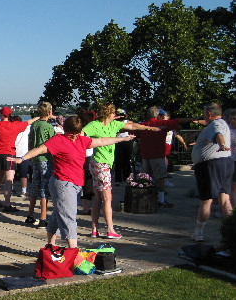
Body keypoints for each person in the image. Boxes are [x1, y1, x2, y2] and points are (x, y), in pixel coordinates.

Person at [8, 116, 135, 248]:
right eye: (71, 133)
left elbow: (102, 140)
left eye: (77, 133)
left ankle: (50, 245)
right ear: (65, 130)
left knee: (58, 215)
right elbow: (40, 149)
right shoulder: (58, 140)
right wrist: (22, 159)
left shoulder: (82, 140)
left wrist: (123, 139)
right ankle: (73, 251)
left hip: (76, 185)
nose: (74, 136)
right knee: (69, 218)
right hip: (62, 184)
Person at [83, 103, 157, 239]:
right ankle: (110, 230)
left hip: (102, 164)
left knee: (99, 198)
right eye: (113, 113)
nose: (115, 115)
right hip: (100, 164)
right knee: (107, 198)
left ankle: (94, 229)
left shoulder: (114, 125)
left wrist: (149, 128)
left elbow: (133, 126)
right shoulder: (93, 125)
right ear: (107, 114)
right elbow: (80, 136)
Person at [135, 106, 197, 208]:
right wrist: (192, 119)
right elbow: (177, 121)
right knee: (160, 178)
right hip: (158, 155)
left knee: (145, 178)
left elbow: (132, 129)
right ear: (158, 115)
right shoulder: (162, 124)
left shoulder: (142, 125)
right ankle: (161, 199)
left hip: (145, 156)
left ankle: (145, 198)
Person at [191, 103, 234, 241]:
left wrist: (222, 145)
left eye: (204, 114)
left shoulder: (216, 124)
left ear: (209, 114)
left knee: (206, 200)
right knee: (225, 199)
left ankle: (198, 233)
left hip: (211, 166)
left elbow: (218, 134)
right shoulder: (223, 123)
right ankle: (232, 232)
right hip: (225, 163)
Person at [24, 102, 55, 227]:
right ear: (49, 112)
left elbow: (30, 142)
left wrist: (31, 156)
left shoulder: (35, 125)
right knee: (44, 188)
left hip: (35, 158)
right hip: (46, 159)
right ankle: (43, 217)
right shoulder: (49, 127)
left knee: (35, 186)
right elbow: (53, 144)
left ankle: (30, 215)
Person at [161, 109, 188, 186]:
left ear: (168, 117)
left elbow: (177, 134)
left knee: (165, 158)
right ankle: (164, 176)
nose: (163, 117)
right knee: (164, 159)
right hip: (163, 143)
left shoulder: (170, 124)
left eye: (165, 116)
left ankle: (164, 174)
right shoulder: (163, 123)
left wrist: (183, 143)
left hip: (167, 143)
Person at [12, 115, 31, 196]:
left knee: (11, 173)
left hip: (13, 153)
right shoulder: (26, 128)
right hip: (24, 155)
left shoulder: (11, 129)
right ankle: (24, 190)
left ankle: (10, 188)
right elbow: (30, 123)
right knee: (23, 174)